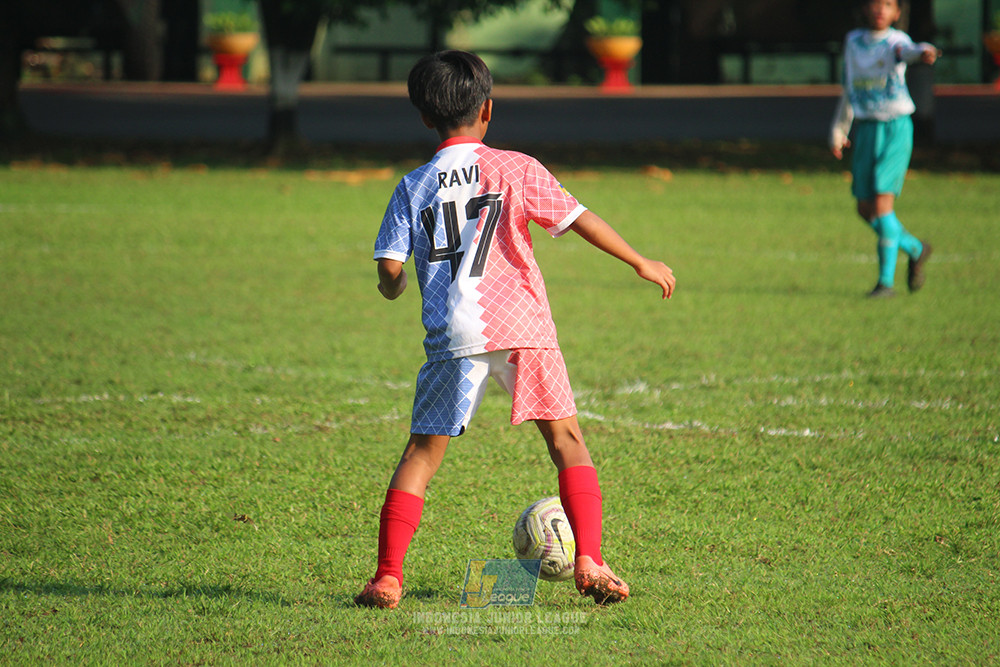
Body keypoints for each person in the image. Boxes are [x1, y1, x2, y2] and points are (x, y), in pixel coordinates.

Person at [355, 50, 676, 610]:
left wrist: (394, 285)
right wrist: (638, 261)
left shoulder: (412, 186)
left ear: (425, 117)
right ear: (487, 109)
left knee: (421, 455)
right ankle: (590, 560)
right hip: (522, 324)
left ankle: (387, 577)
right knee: (566, 441)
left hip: (453, 335)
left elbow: (389, 267)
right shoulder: (516, 167)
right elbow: (579, 219)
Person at [829, 0, 938, 298]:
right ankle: (915, 247)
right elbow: (849, 88)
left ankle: (885, 284)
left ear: (896, 13)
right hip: (866, 129)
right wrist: (839, 130)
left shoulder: (895, 42)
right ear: (865, 8)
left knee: (881, 206)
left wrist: (924, 52)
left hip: (894, 128)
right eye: (876, 3)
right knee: (864, 209)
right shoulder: (853, 42)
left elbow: (910, 51)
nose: (881, 9)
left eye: (888, 4)